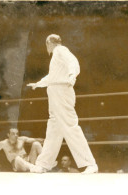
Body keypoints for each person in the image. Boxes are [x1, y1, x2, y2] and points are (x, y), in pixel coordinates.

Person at [27, 34, 98, 174]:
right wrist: (38, 84)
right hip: (55, 92)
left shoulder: (60, 50)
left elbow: (73, 62)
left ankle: (90, 163)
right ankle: (43, 164)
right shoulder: (56, 56)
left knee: (70, 126)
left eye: (46, 44)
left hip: (61, 92)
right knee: (53, 129)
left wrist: (72, 75)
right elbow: (53, 76)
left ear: (49, 43)